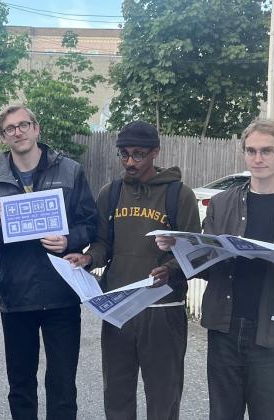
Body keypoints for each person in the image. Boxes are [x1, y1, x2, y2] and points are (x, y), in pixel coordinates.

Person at [156, 119, 274, 420]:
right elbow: (205, 268)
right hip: (224, 327)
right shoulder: (221, 204)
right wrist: (180, 249)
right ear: (243, 152)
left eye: (267, 151)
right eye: (251, 151)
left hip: (272, 332)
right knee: (222, 415)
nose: (258, 159)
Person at [64, 121, 201, 420]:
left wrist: (169, 269)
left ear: (155, 153)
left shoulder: (180, 195)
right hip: (119, 308)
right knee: (117, 395)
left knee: (163, 397)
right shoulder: (110, 193)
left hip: (164, 309)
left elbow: (194, 252)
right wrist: (88, 260)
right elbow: (102, 245)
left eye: (138, 154)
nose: (129, 162)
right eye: (123, 154)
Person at [0, 105, 98, 419]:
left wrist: (68, 240)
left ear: (36, 128)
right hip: (16, 295)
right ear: (4, 137)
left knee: (62, 386)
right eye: (10, 128)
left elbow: (90, 223)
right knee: (20, 385)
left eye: (24, 125)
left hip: (61, 293)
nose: (18, 132)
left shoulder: (71, 171)